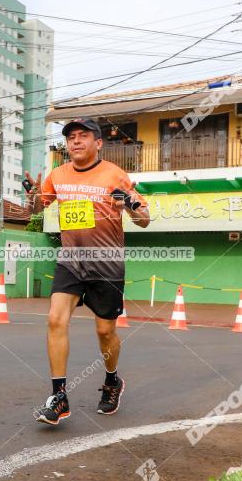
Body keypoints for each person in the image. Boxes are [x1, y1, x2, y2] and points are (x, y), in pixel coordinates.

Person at [23, 117, 150, 426]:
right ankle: (59, 397)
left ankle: (112, 381)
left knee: (105, 331)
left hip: (107, 262)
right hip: (71, 260)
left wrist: (132, 207)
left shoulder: (114, 175)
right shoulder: (57, 175)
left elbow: (144, 218)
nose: (75, 141)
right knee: (55, 319)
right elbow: (38, 208)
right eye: (71, 137)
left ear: (98, 143)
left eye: (83, 136)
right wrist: (33, 200)